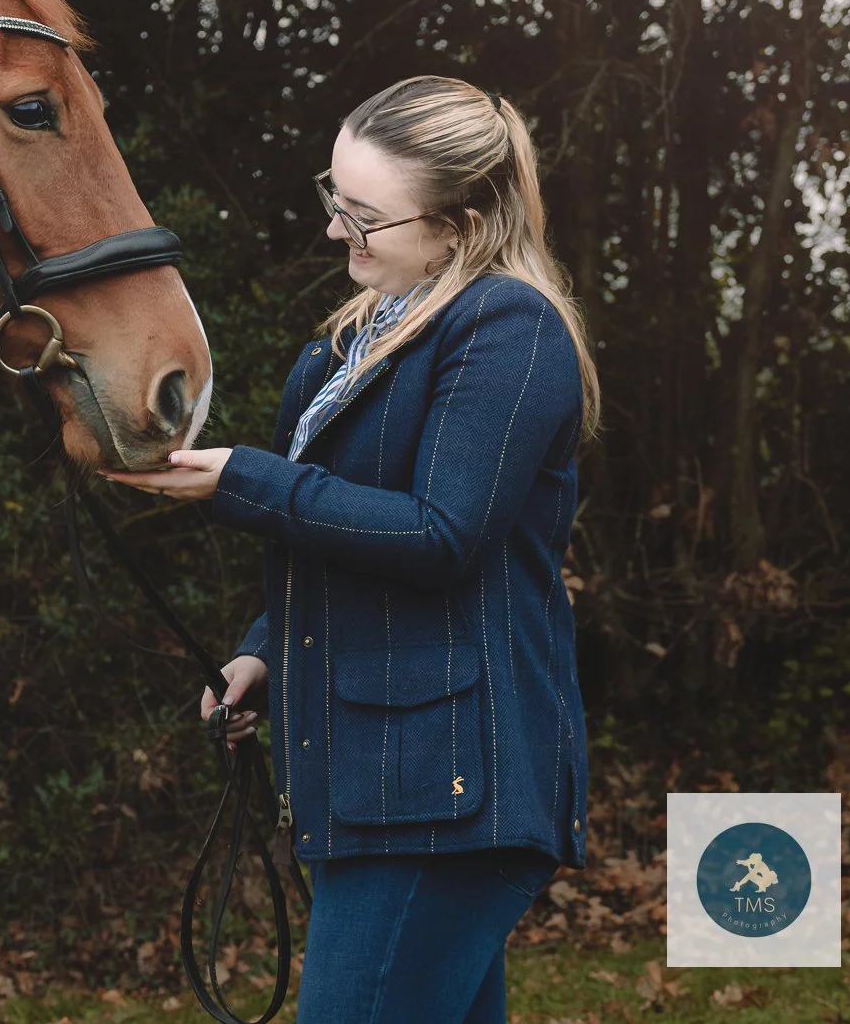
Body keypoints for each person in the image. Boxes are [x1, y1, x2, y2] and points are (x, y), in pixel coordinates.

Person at [103, 76, 599, 1023]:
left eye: (365, 216)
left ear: (457, 224)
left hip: (452, 794)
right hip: (373, 785)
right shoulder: (341, 349)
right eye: (334, 198)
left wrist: (243, 481)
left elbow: (443, 533)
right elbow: (331, 545)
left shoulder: (509, 327)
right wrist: (258, 649)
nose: (337, 232)